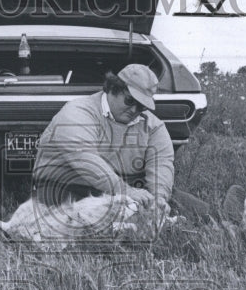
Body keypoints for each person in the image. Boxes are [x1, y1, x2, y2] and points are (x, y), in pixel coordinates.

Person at [30, 63, 175, 223]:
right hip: (68, 184)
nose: (134, 110)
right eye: (129, 100)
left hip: (125, 188)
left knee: (197, 209)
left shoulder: (154, 126)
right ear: (113, 88)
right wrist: (128, 192)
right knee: (81, 219)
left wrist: (158, 197)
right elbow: (85, 160)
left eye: (141, 106)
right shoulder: (78, 111)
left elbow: (162, 162)